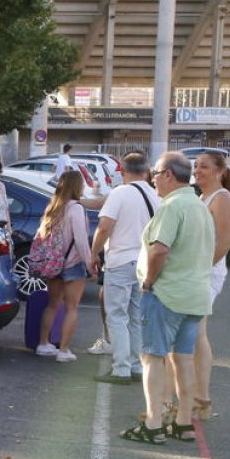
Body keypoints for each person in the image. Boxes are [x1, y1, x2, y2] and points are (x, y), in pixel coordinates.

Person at [120, 153, 214, 444]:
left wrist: (148, 281)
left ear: (169, 175)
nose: (153, 179)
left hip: (167, 293)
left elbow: (160, 249)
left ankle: (154, 423)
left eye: (156, 173)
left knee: (152, 357)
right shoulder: (199, 206)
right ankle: (184, 422)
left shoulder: (172, 207)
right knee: (183, 358)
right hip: (196, 294)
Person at [88, 152, 158, 385]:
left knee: (116, 316)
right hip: (145, 262)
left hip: (120, 260)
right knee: (136, 317)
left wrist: (93, 253)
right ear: (147, 172)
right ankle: (136, 366)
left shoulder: (120, 193)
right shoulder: (155, 195)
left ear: (123, 171)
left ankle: (120, 369)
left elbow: (105, 226)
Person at [184, 152, 230, 419]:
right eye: (195, 166)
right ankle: (196, 398)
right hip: (195, 271)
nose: (197, 171)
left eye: (204, 167)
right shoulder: (203, 197)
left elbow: (224, 242)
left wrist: (200, 272)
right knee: (192, 335)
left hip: (207, 273)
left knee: (196, 334)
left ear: (220, 172)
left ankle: (202, 400)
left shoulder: (223, 199)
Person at [35, 171, 94, 363]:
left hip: (53, 264)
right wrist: (89, 263)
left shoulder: (53, 207)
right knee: (72, 308)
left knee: (52, 305)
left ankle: (43, 344)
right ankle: (64, 350)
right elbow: (81, 240)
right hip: (72, 264)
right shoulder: (76, 208)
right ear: (77, 186)